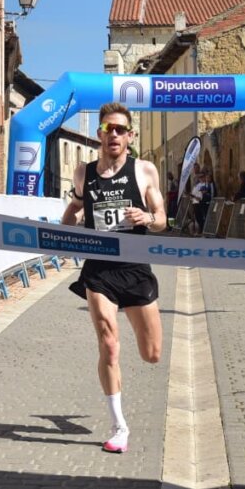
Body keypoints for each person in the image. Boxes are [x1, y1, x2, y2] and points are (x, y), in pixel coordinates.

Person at [62, 103, 166, 455]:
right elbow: (74, 210)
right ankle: (119, 425)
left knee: (151, 354)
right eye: (109, 129)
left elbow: (163, 220)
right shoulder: (83, 173)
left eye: (121, 129)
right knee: (108, 342)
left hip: (135, 268)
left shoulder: (145, 171)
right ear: (100, 134)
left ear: (130, 136)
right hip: (99, 270)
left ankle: (120, 411)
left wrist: (147, 217)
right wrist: (65, 229)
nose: (114, 135)